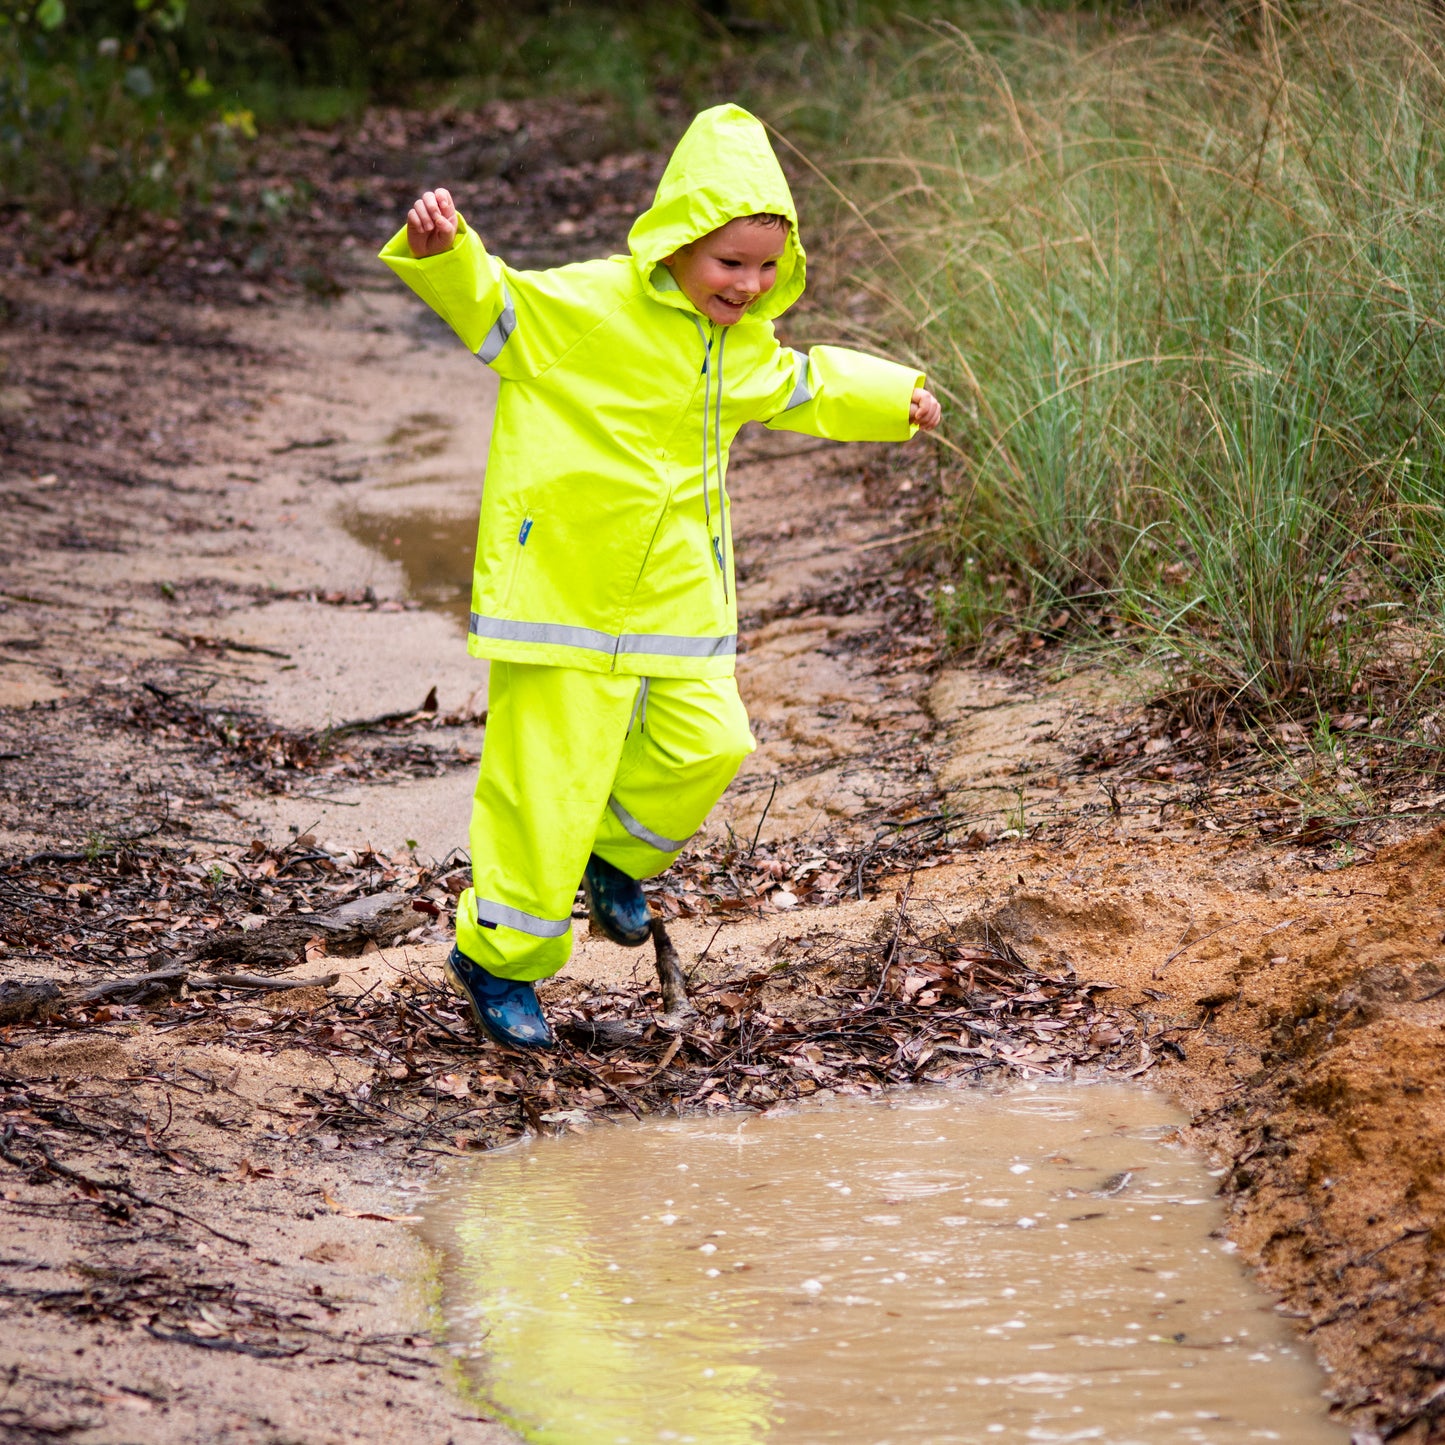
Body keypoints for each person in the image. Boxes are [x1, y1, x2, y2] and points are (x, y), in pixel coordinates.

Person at [379, 103, 941, 1050]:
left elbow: (803, 385)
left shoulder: (741, 345)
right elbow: (500, 308)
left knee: (709, 740)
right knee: (545, 784)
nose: (749, 284)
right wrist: (445, 251)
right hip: (563, 588)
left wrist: (894, 397)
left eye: (768, 267)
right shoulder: (593, 306)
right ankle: (499, 960)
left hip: (675, 595)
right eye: (730, 263)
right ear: (679, 243)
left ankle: (614, 856)